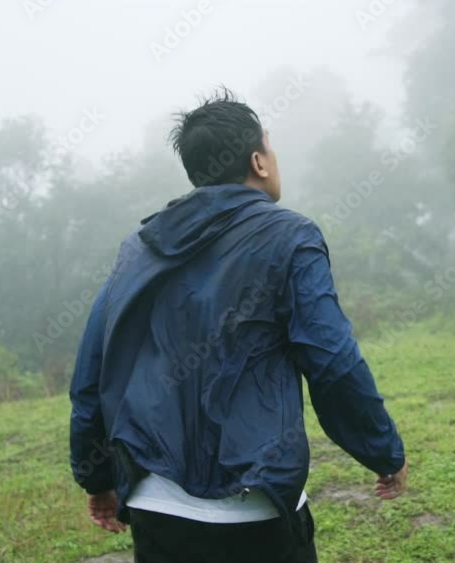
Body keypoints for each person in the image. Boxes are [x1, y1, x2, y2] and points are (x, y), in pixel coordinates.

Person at [69, 88, 408, 563]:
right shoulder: (291, 236)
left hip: (155, 508)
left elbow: (92, 373)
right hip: (255, 510)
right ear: (259, 161)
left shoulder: (138, 249)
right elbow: (332, 360)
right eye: (271, 147)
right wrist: (382, 450)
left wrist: (98, 477)